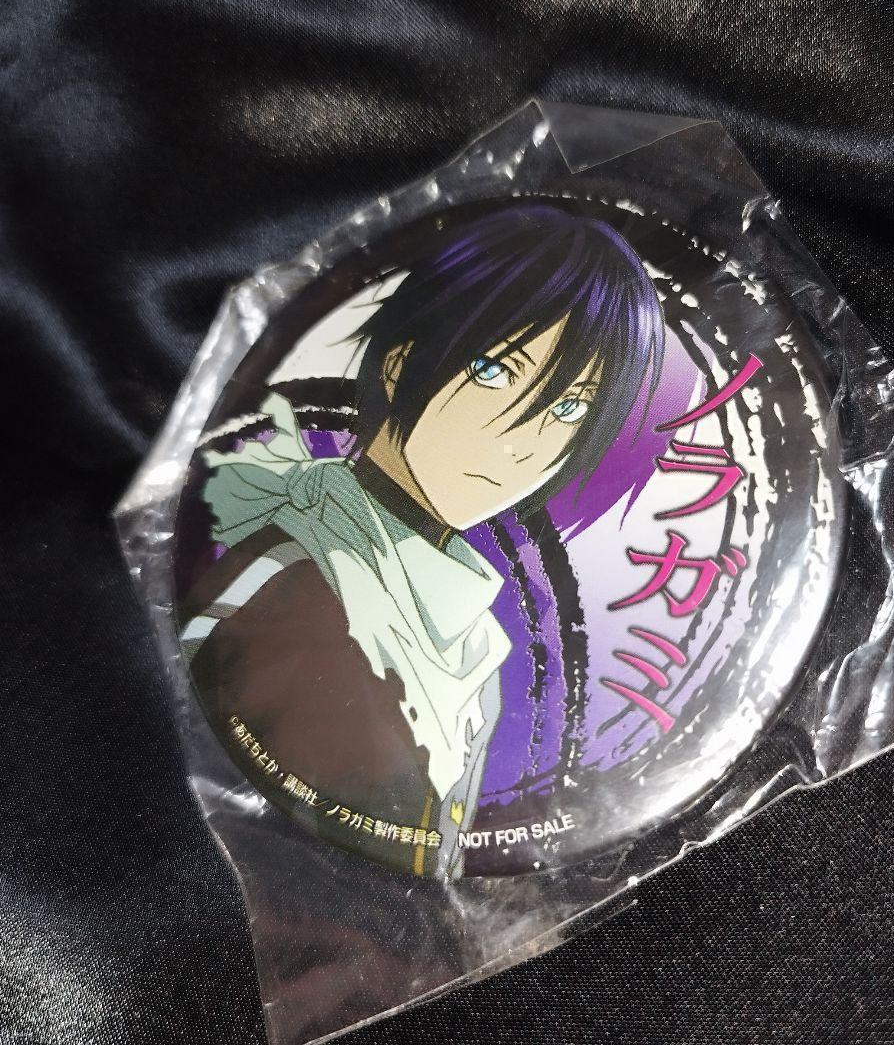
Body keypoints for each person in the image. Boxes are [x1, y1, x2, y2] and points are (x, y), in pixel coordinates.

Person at [177, 204, 665, 878]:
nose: (525, 440)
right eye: (496, 370)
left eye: (569, 407)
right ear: (401, 364)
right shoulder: (290, 581)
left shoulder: (469, 639)